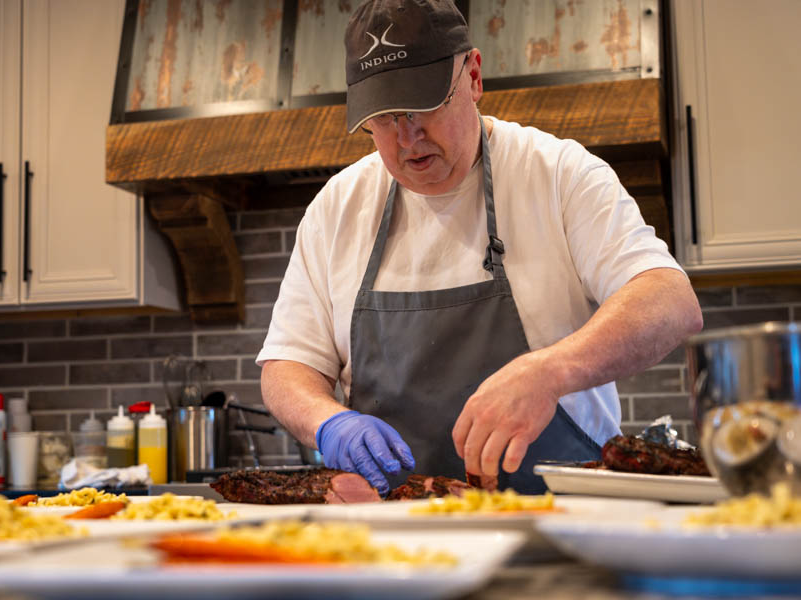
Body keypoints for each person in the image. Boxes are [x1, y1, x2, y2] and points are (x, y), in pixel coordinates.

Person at [255, 0, 703, 495]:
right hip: (396, 538)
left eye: (424, 105)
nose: (407, 138)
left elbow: (669, 300)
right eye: (384, 118)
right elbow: (288, 365)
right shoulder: (337, 209)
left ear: (472, 76)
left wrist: (550, 371)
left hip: (561, 523)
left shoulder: (558, 175)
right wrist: (327, 422)